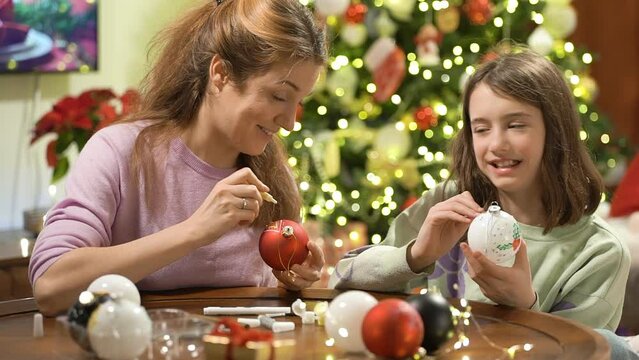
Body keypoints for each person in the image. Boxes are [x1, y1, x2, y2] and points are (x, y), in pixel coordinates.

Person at [29, 0, 328, 315]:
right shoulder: (118, 152)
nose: (290, 122)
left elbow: (263, 307)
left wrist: (292, 282)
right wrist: (195, 230)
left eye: (298, 101)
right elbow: (51, 286)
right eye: (279, 96)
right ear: (221, 74)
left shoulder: (272, 174)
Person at [330, 49, 630, 333]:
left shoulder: (599, 253)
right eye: (481, 129)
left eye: (515, 125)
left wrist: (525, 305)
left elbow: (583, 351)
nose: (497, 144)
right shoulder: (448, 202)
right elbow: (341, 278)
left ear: (555, 131)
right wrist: (415, 256)